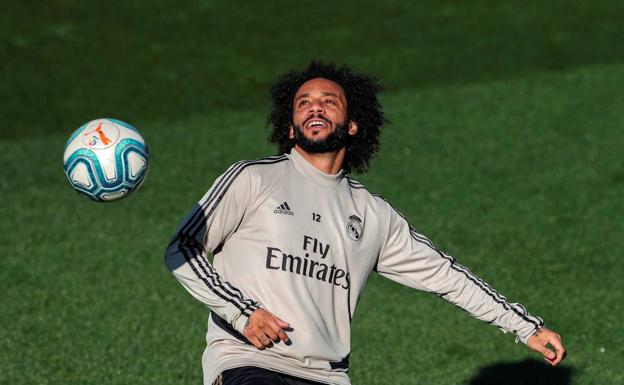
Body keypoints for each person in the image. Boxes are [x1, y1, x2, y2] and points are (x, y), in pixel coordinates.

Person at [165, 61, 565, 385]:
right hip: (248, 363)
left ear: (353, 124)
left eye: (329, 101)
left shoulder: (373, 214)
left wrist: (523, 325)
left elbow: (445, 275)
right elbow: (182, 248)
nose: (315, 107)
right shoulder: (253, 178)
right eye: (303, 103)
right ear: (289, 126)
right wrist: (242, 312)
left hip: (328, 376)